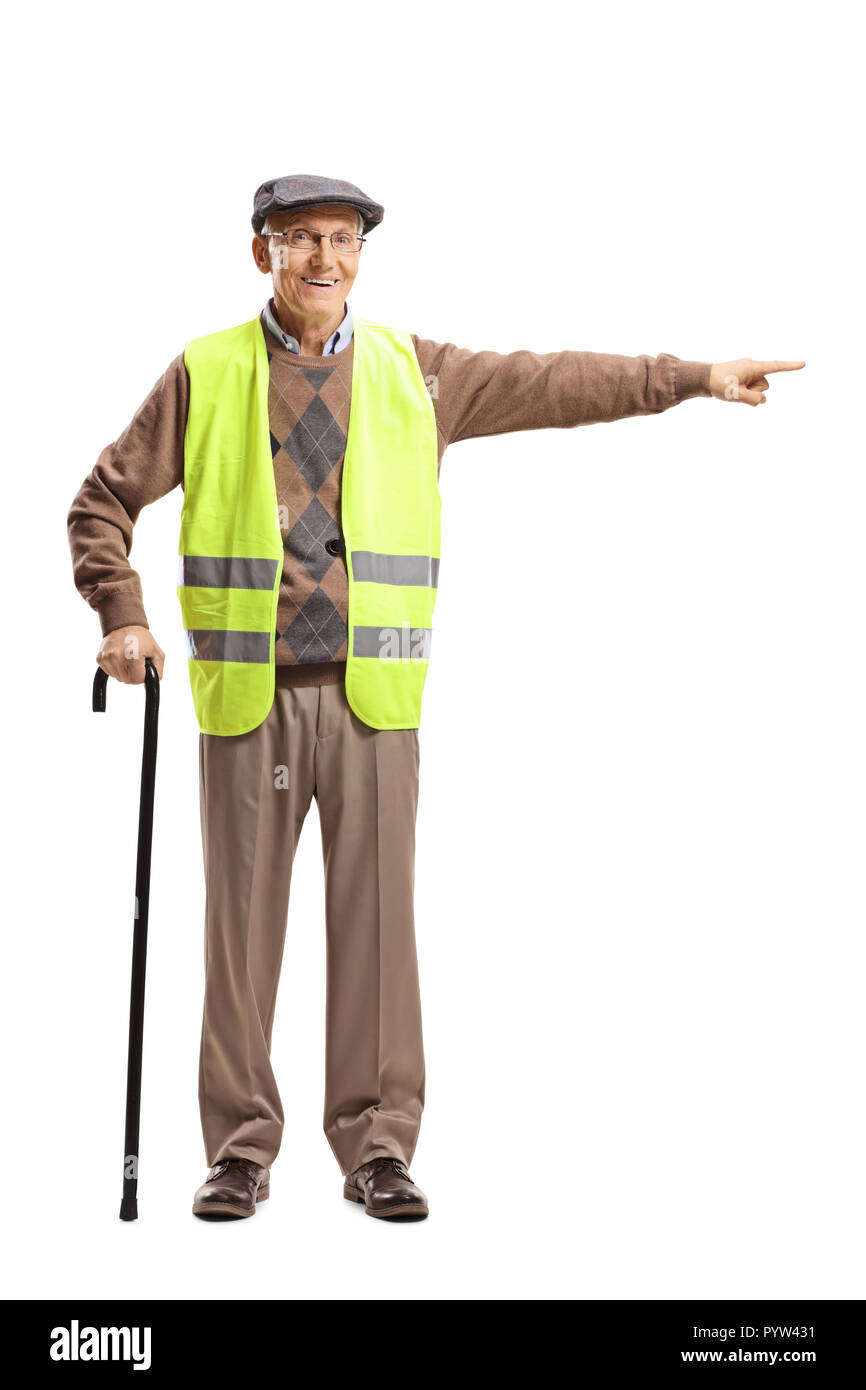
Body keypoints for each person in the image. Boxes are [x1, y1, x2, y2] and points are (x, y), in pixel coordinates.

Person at [67, 173, 805, 1222]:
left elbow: (555, 381)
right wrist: (120, 614)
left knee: (377, 935)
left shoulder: (417, 373)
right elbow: (101, 500)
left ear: (361, 255)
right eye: (297, 240)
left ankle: (377, 1150)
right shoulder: (203, 372)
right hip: (249, 700)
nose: (322, 259)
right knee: (240, 937)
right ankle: (238, 1149)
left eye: (340, 240)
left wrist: (687, 377)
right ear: (259, 254)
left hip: (375, 702)